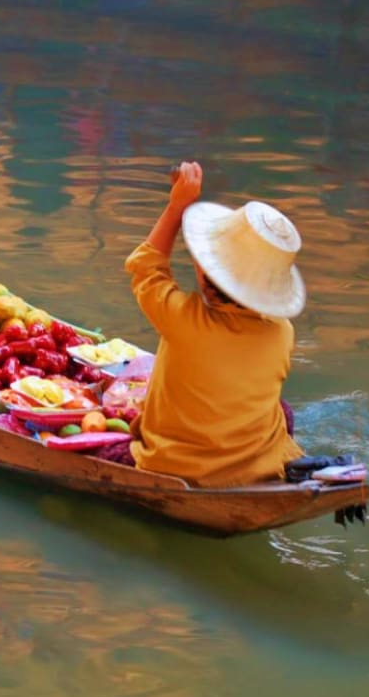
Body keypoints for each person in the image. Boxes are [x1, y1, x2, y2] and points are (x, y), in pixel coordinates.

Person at [97, 161, 306, 487]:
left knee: (106, 452)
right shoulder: (282, 332)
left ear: (207, 278)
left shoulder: (183, 319)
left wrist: (177, 204)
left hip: (177, 467)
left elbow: (147, 266)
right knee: (283, 410)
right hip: (259, 464)